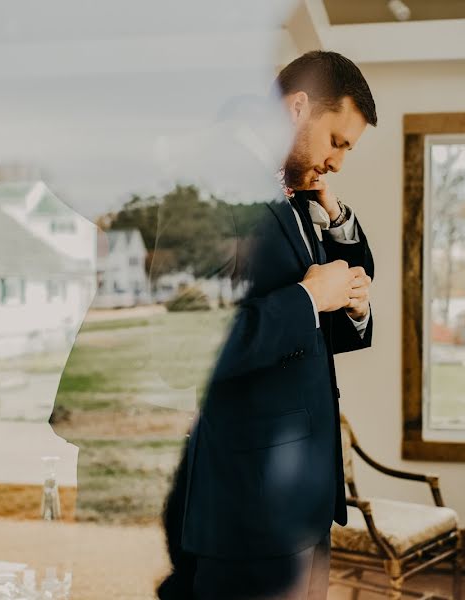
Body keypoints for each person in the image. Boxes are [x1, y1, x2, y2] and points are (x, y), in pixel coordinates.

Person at [155, 50, 378, 600]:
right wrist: (306, 299)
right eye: (337, 141)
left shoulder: (291, 189)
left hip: (303, 502)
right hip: (249, 511)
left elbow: (334, 296)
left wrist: (344, 296)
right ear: (298, 108)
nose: (339, 162)